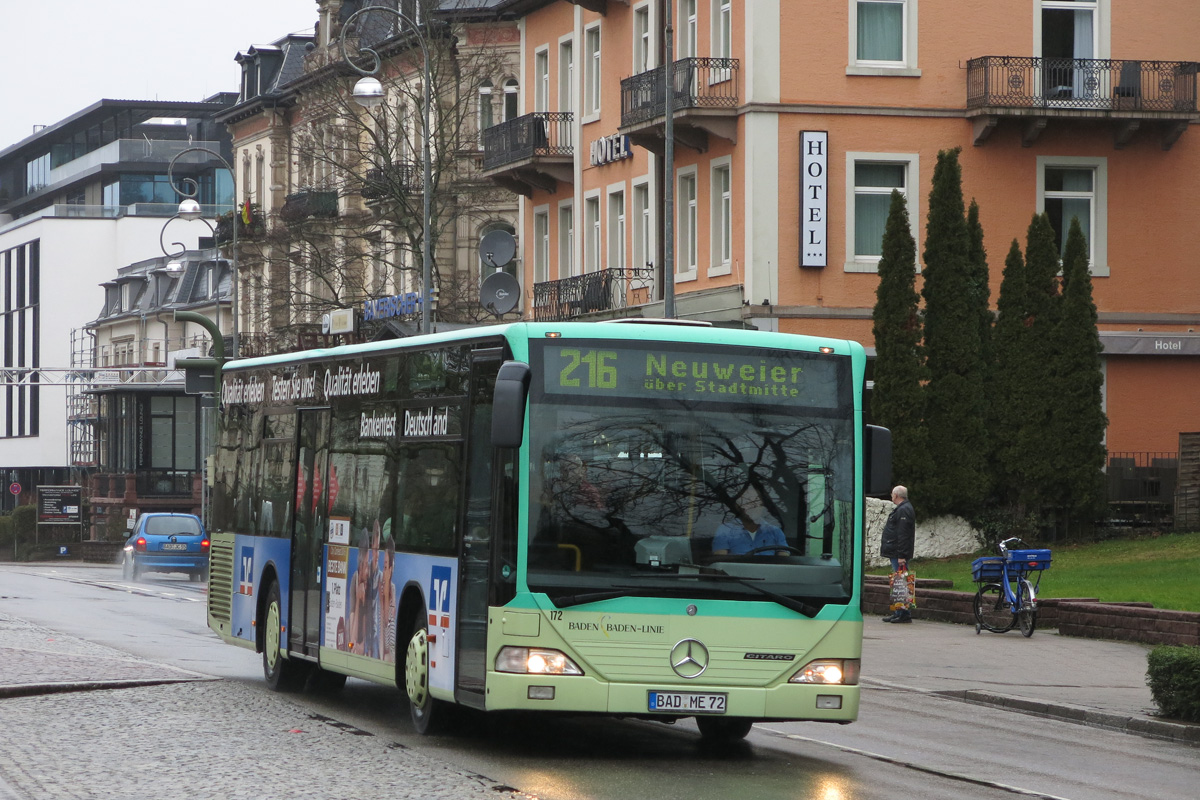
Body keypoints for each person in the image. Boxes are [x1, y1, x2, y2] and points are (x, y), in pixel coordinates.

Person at [712, 485, 789, 556]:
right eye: (748, 502)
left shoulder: (775, 531)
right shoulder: (725, 530)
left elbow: (784, 563)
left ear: (762, 506)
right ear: (738, 506)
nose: (753, 507)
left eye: (757, 503)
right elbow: (721, 562)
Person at [880, 485, 916, 623]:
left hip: (898, 553)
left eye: (892, 494)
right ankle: (899, 611)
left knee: (901, 581)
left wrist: (901, 555)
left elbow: (903, 534)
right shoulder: (903, 509)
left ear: (896, 495)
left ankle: (903, 613)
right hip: (896, 551)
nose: (891, 496)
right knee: (898, 581)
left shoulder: (904, 510)